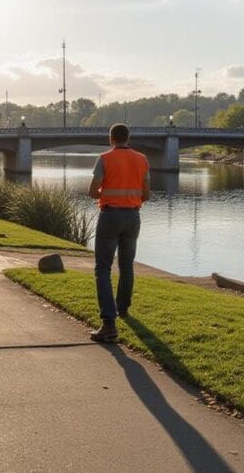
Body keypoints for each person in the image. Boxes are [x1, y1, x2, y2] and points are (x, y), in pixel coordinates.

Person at [87, 123, 150, 343]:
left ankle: (109, 324)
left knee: (103, 269)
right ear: (128, 138)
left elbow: (92, 191)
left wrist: (107, 194)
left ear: (110, 138)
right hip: (133, 217)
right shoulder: (142, 159)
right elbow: (147, 194)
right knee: (127, 266)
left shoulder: (105, 158)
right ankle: (122, 309)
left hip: (110, 216)